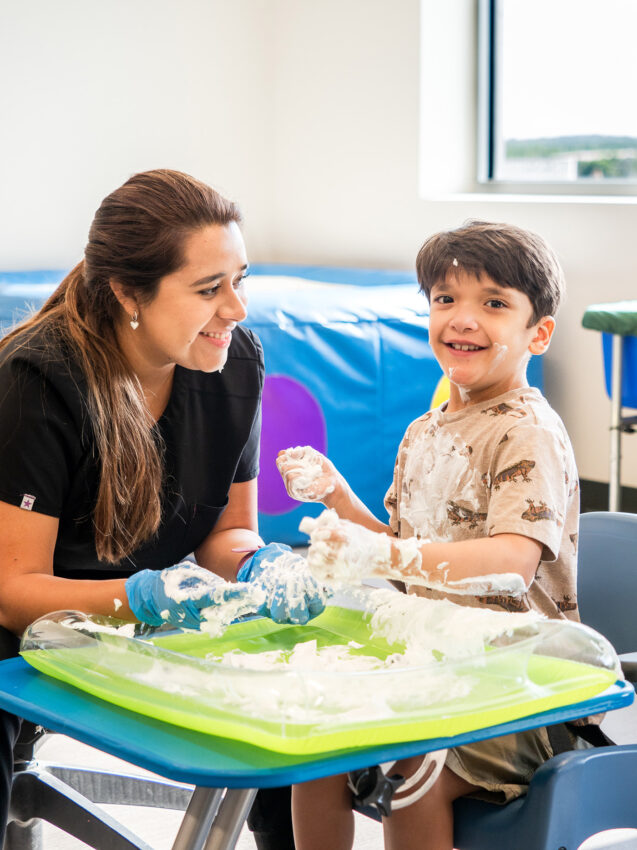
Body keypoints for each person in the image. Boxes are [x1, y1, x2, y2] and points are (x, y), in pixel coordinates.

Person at [0, 169, 323, 849]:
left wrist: (259, 565)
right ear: (127, 294)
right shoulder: (34, 383)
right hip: (13, 630)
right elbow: (11, 593)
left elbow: (228, 530)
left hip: (121, 617)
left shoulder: (233, 367)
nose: (234, 309)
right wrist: (146, 597)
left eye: (241, 280)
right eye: (209, 289)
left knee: (289, 715)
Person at [278, 221, 590, 850]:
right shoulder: (425, 429)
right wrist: (338, 496)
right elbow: (403, 561)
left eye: (494, 303)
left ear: (539, 333)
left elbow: (510, 563)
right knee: (316, 741)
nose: (463, 319)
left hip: (522, 687)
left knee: (410, 764)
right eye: (446, 300)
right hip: (430, 660)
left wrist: (389, 551)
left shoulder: (528, 432)